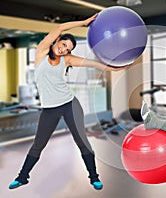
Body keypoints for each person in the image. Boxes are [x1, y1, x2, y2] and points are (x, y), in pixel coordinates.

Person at [9, 14, 132, 191]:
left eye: (68, 49)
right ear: (57, 41)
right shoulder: (42, 51)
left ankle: (94, 177)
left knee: (81, 141)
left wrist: (119, 67)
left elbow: (96, 64)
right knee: (38, 144)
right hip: (49, 110)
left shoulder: (67, 60)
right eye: (63, 45)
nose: (64, 50)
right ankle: (22, 177)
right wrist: (83, 23)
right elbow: (59, 28)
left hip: (69, 105)